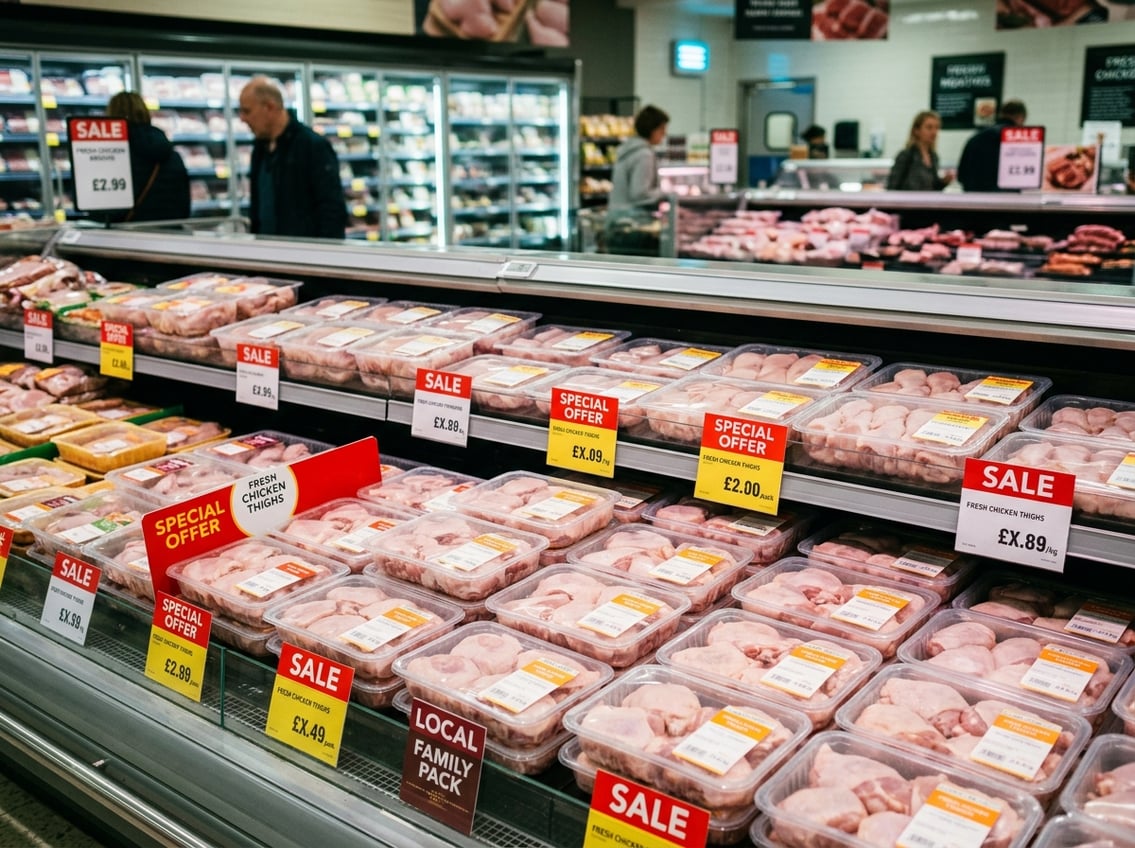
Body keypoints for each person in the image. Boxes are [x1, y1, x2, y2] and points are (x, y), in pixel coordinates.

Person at [238, 76, 346, 239]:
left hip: (302, 256)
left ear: (270, 107)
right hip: (267, 254)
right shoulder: (260, 149)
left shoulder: (312, 147)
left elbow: (332, 210)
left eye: (247, 111)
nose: (242, 118)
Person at [105, 92, 190, 223]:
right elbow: (184, 204)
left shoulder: (111, 155)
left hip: (126, 234)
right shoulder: (172, 155)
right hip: (170, 233)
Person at [956, 99, 1027, 192]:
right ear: (1020, 118)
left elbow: (961, 176)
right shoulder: (1018, 140)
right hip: (1006, 201)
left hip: (974, 200)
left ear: (1001, 114)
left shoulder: (975, 138)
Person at [609, 104, 669, 211]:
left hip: (619, 217)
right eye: (662, 128)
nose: (664, 133)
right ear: (651, 129)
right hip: (632, 220)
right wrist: (666, 193)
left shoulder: (629, 149)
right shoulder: (644, 155)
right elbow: (640, 194)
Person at [886, 111, 953, 191]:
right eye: (929, 127)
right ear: (916, 130)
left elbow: (933, 187)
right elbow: (892, 186)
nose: (934, 132)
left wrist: (943, 182)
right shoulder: (906, 156)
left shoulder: (934, 157)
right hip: (908, 202)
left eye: (936, 128)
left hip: (927, 203)